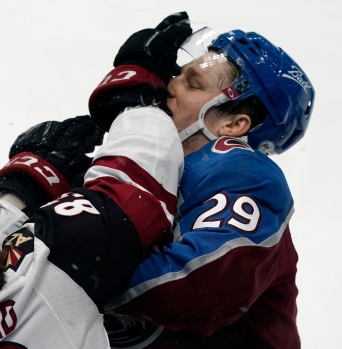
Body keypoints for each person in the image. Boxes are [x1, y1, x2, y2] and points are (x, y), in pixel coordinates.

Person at [0, 100, 188, 346]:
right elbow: (139, 181)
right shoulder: (51, 280)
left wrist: (23, 189)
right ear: (2, 259)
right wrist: (134, 97)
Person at [88, 14, 315, 349]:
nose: (170, 85)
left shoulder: (244, 171)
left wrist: (72, 273)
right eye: (177, 74)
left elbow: (200, 285)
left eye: (192, 84)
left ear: (234, 125)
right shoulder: (153, 167)